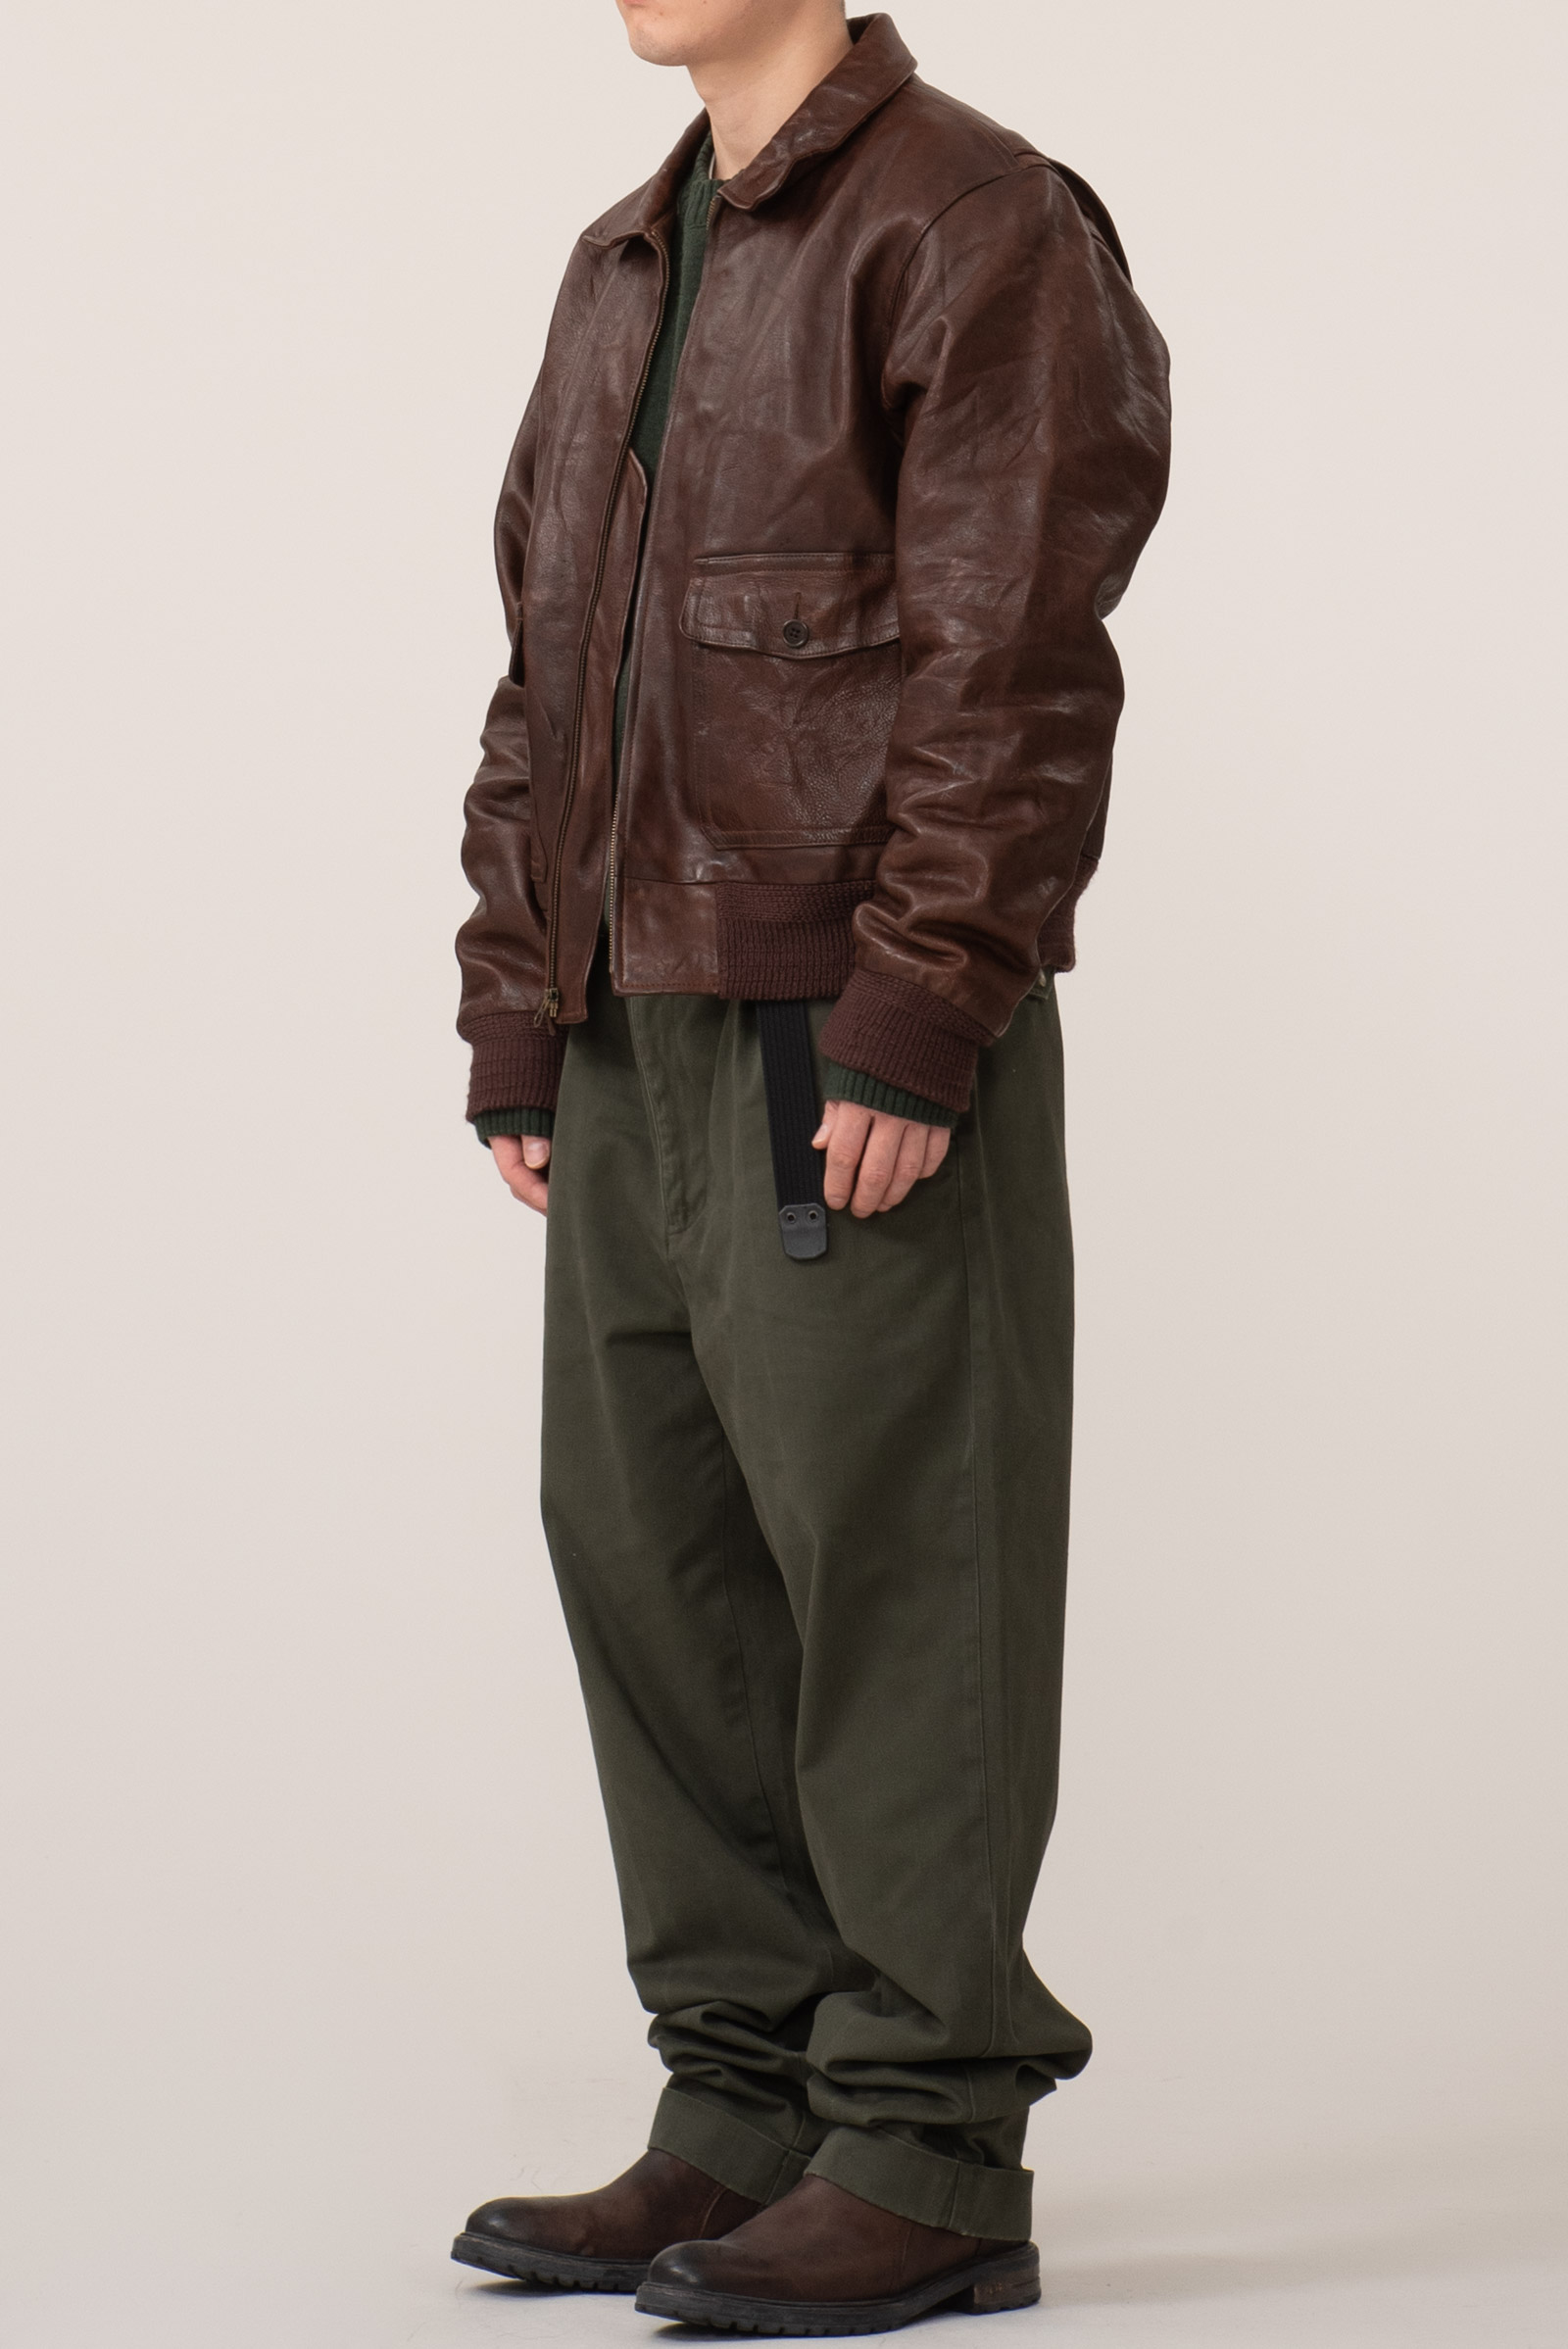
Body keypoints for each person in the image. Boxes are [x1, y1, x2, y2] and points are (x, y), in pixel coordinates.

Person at [450, 3, 1169, 2332]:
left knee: (895, 1567)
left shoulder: (969, 219)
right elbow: (545, 662)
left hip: (830, 1021)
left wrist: (921, 1001)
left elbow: (1011, 656)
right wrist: (519, 999)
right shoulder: (625, 257)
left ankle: (929, 2145)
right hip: (627, 1025)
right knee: (654, 1562)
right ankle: (743, 2104)